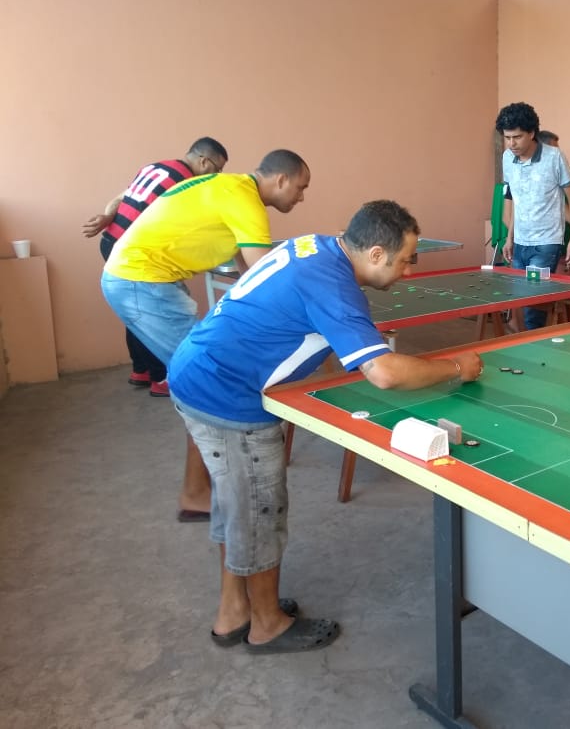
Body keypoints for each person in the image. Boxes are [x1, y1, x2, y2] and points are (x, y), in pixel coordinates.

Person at [168, 200, 484, 653]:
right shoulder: (335, 286)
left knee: (236, 505)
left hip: (196, 374)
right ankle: (267, 625)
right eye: (406, 260)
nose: (409, 272)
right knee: (258, 512)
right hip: (227, 396)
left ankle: (234, 611)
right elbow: (385, 373)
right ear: (375, 253)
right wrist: (456, 366)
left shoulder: (316, 247)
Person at [101, 149, 311, 523]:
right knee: (206, 380)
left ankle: (198, 488)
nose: (301, 196)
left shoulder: (228, 186)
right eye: (300, 187)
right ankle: (196, 492)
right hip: (141, 282)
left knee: (202, 378)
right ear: (281, 180)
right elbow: (265, 275)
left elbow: (247, 271)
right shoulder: (245, 200)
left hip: (143, 277)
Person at [82, 137, 229, 396]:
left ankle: (141, 370)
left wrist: (107, 216)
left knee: (136, 309)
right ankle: (161, 377)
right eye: (217, 169)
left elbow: (122, 197)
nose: (216, 175)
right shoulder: (186, 181)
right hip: (134, 250)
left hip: (111, 239)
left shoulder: (155, 167)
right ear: (203, 161)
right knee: (153, 309)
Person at [496, 102, 570, 330]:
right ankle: (523, 350)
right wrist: (510, 237)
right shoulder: (507, 158)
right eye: (507, 138)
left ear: (532, 133)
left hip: (547, 244)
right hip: (520, 242)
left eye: (517, 137)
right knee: (519, 302)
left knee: (534, 308)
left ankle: (534, 356)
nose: (512, 143)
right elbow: (517, 201)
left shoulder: (554, 157)